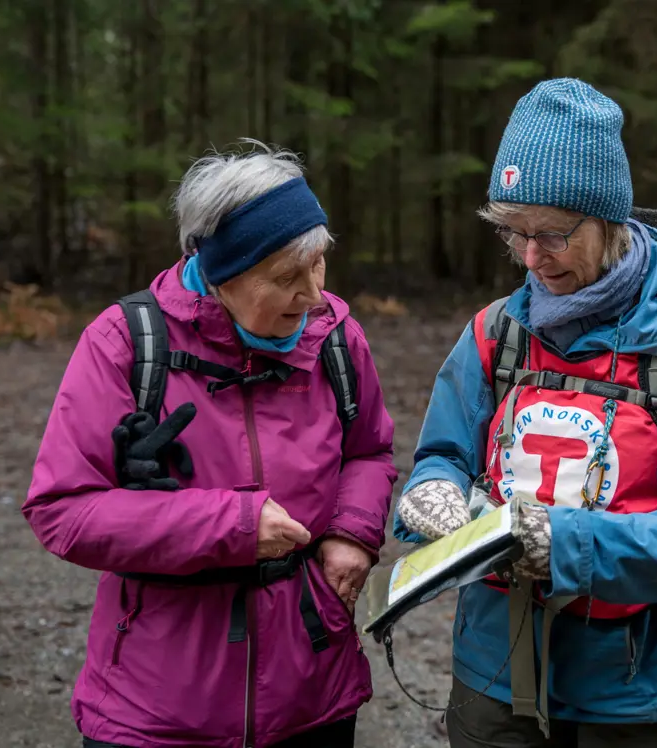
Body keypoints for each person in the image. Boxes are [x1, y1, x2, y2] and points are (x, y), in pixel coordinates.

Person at [393, 78, 657, 747]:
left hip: (647, 695)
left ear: (609, 220)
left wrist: (559, 543)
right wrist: (433, 498)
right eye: (514, 234)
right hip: (496, 678)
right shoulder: (494, 334)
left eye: (553, 235)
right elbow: (442, 454)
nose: (531, 258)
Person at [23, 140, 398, 748]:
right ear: (222, 272)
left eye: (319, 263)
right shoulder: (125, 342)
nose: (312, 294)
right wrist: (234, 524)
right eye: (284, 276)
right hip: (158, 708)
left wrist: (352, 533)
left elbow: (368, 451)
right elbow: (62, 509)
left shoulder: (336, 338)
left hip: (310, 692)